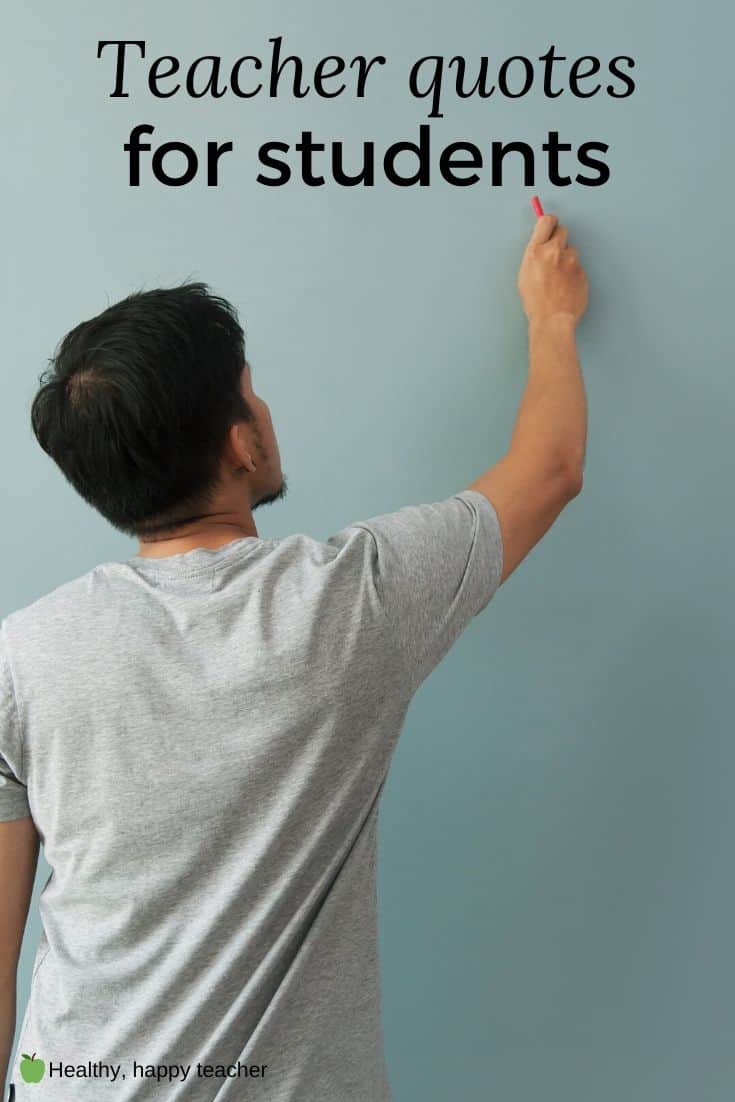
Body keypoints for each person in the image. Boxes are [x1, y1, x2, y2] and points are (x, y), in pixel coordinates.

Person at [0, 211, 588, 1101]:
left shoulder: (20, 654)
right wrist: (550, 319)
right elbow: (548, 469)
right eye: (252, 393)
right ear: (241, 440)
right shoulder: (353, 600)